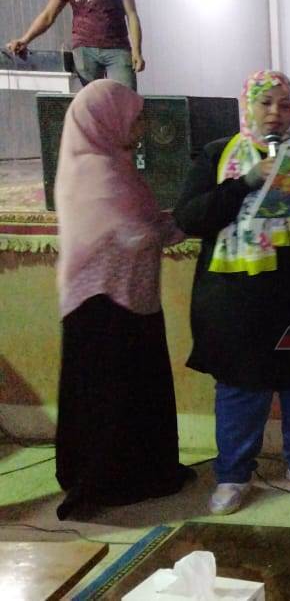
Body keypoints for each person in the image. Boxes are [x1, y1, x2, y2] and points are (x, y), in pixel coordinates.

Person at [174, 70, 290, 515]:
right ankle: (233, 475)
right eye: (266, 103)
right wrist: (246, 181)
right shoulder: (217, 155)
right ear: (248, 105)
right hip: (240, 298)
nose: (276, 113)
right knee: (241, 386)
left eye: (285, 104)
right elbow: (190, 217)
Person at [53, 79, 193, 520]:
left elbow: (152, 228)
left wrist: (197, 217)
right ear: (105, 120)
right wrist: (189, 217)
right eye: (135, 118)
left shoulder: (118, 167)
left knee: (138, 393)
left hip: (133, 302)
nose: (142, 126)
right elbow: (134, 234)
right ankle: (105, 483)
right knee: (108, 400)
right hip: (100, 308)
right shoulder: (91, 173)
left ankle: (146, 473)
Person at [6, 0, 144, 90]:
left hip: (117, 48)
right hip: (85, 49)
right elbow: (48, 16)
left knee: (125, 96)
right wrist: (25, 40)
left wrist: (137, 51)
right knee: (91, 98)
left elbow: (132, 14)